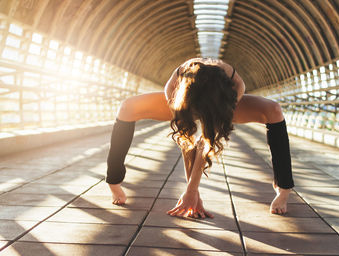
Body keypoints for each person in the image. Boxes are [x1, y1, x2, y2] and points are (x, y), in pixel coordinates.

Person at [106, 58, 294, 217]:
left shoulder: (235, 83)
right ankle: (114, 181)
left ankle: (283, 189)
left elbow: (207, 138)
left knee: (274, 110)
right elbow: (186, 137)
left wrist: (190, 191)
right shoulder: (175, 85)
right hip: (183, 99)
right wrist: (193, 192)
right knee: (127, 107)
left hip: (223, 103)